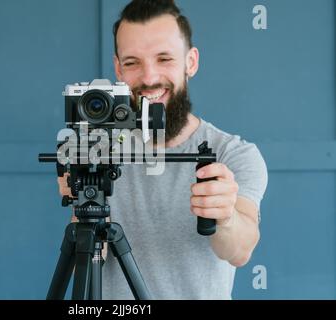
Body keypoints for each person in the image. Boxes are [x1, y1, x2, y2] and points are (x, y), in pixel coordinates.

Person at [58, 0, 268, 299]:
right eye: (132, 63)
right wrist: (81, 205)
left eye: (164, 58)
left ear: (190, 62)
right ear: (118, 68)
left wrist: (225, 217)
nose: (149, 77)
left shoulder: (232, 153)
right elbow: (90, 267)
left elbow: (240, 250)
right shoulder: (98, 148)